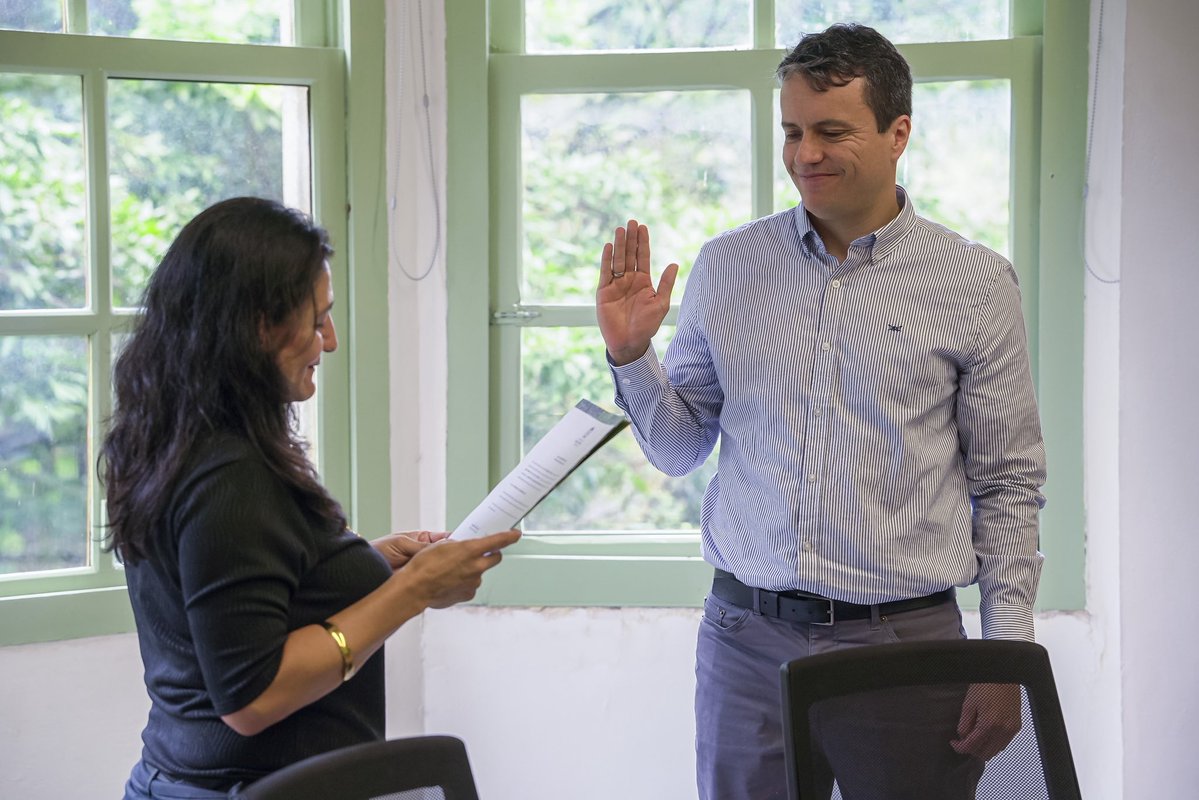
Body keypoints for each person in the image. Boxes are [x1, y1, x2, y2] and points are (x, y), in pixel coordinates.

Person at [595, 23, 1045, 800]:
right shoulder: (727, 267)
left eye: (832, 132)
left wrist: (1005, 655)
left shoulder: (974, 284)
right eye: (792, 132)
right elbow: (677, 448)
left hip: (907, 647)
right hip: (744, 643)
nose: (806, 154)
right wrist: (631, 354)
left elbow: (1006, 483)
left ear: (897, 133)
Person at [102, 196, 520, 799]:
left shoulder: (176, 435)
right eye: (318, 319)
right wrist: (413, 590)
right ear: (258, 326)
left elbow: (241, 592)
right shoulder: (228, 473)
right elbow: (251, 697)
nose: (331, 340)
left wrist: (364, 564)